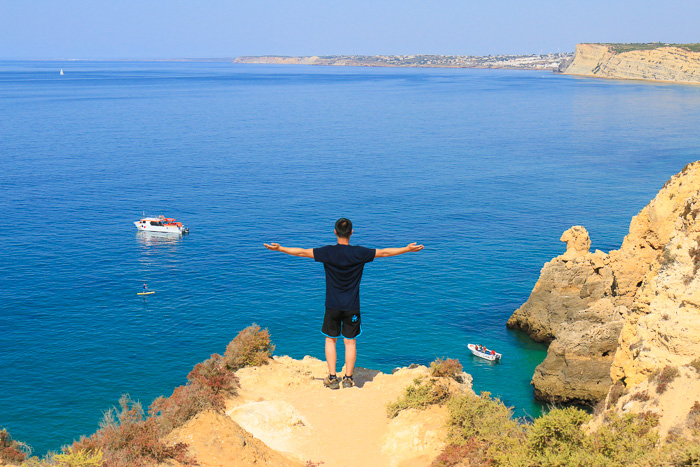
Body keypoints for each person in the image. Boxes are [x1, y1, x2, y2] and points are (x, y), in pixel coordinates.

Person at [264, 218, 423, 389]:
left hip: (332, 305)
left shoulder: (327, 252)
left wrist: (280, 248)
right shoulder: (359, 253)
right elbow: (384, 252)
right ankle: (348, 378)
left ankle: (332, 378)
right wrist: (406, 249)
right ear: (352, 232)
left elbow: (301, 252)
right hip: (352, 307)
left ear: (335, 232)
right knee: (350, 341)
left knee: (331, 340)